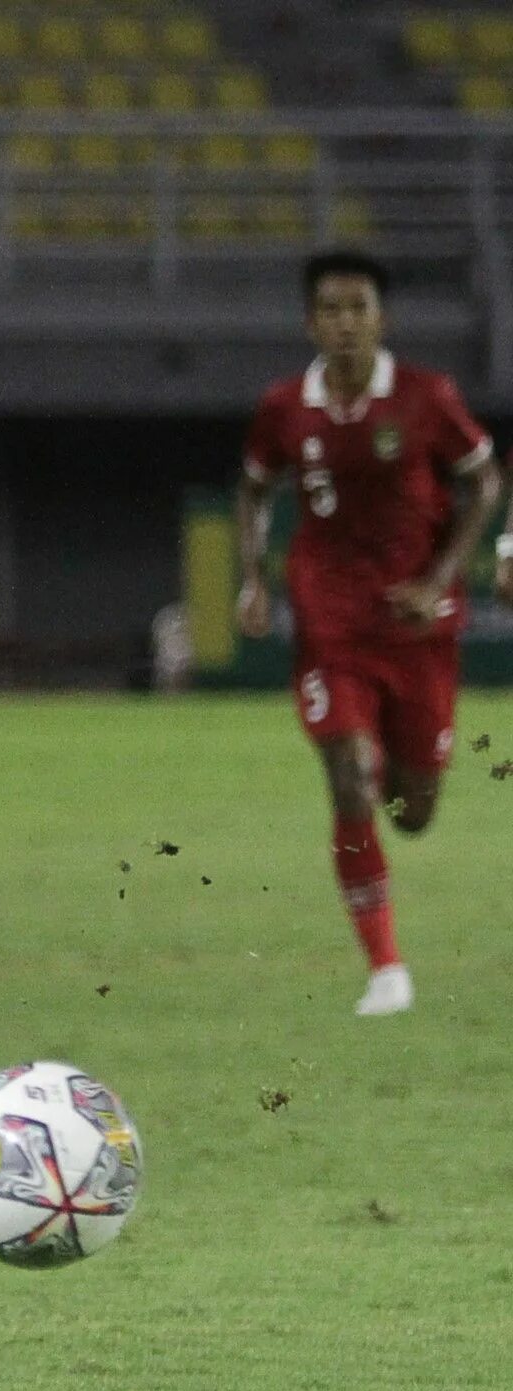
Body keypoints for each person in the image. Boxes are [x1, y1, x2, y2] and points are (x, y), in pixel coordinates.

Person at [236, 250, 502, 1017]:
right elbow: (253, 488)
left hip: (418, 628)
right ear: (310, 321)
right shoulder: (285, 407)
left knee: (413, 810)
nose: (345, 323)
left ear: (382, 318)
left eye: (359, 308)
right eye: (330, 309)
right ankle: (386, 968)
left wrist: (443, 576)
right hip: (331, 626)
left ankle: (394, 775)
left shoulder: (427, 397)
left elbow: (483, 480)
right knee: (350, 775)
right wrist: (254, 578)